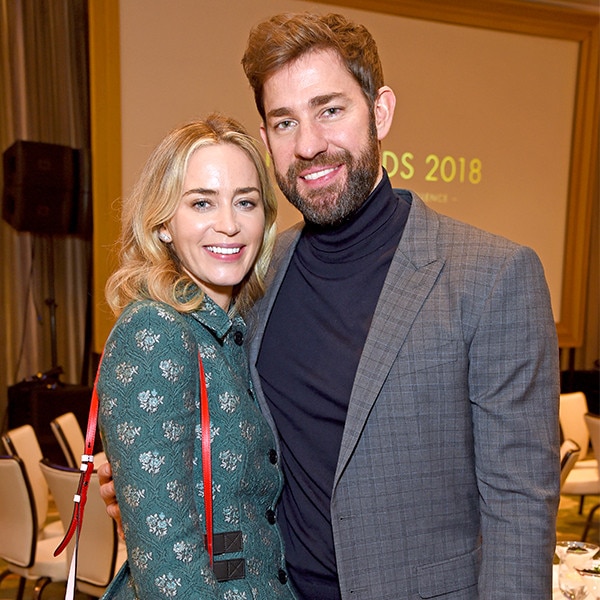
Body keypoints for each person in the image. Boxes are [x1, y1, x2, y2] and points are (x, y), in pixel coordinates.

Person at [101, 12, 560, 599]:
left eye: (330, 110)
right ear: (266, 139)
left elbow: (520, 504)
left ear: (381, 111)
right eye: (285, 121)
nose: (310, 143)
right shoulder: (254, 277)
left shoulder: (493, 276)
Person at [96, 114, 297, 599]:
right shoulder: (156, 330)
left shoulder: (232, 333)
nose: (228, 225)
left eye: (245, 202)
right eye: (202, 203)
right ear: (163, 224)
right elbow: (166, 557)